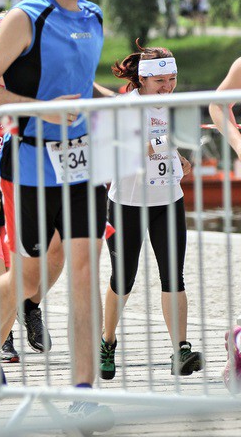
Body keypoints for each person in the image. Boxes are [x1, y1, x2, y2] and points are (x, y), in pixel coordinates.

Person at [0, 0, 114, 425]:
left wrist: (126, 104)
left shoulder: (93, 16)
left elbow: (81, 82)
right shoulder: (25, 18)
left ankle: (84, 389)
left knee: (82, 270)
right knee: (28, 278)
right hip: (29, 165)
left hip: (82, 164)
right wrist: (39, 108)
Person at [99, 45, 202, 381]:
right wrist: (164, 143)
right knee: (123, 279)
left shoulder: (170, 104)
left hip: (168, 201)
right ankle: (107, 341)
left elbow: (164, 146)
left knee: (174, 276)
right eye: (160, 80)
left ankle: (180, 350)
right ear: (143, 79)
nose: (167, 86)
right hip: (127, 205)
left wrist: (180, 161)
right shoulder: (126, 105)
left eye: (172, 78)